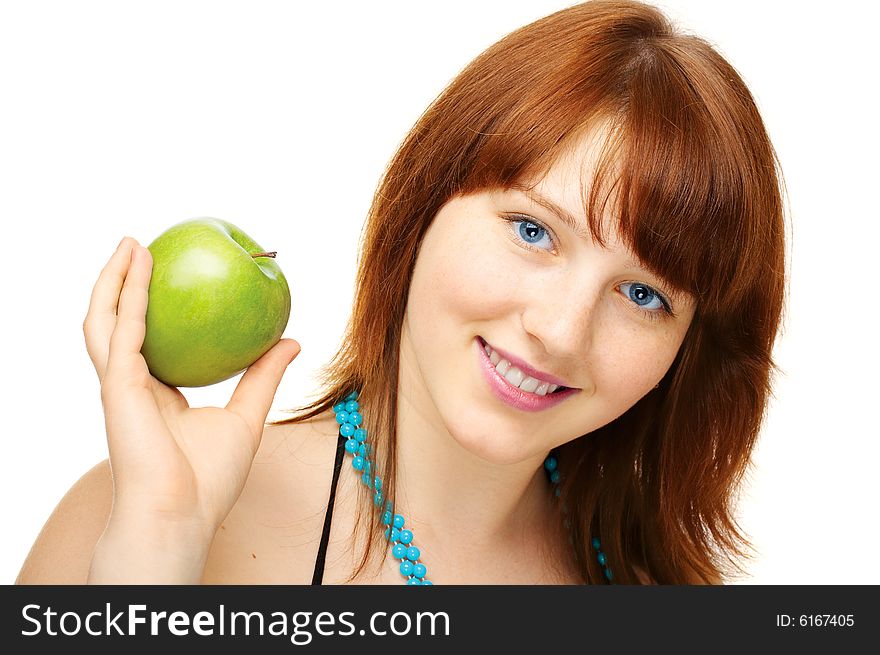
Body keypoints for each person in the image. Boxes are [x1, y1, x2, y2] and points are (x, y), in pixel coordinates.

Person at [16, 0, 785, 585]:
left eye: (644, 294)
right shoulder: (135, 514)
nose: (559, 329)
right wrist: (157, 546)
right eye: (532, 230)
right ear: (425, 206)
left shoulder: (652, 582)